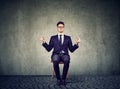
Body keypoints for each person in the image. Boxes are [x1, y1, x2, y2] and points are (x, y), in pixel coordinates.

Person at [40, 21, 80, 86]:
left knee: (67, 60)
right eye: (59, 27)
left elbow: (71, 49)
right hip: (56, 54)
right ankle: (58, 79)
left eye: (62, 27)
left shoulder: (68, 38)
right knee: (55, 60)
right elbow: (49, 49)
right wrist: (44, 42)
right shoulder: (53, 38)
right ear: (57, 28)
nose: (61, 28)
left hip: (65, 55)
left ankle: (63, 79)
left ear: (64, 28)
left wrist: (77, 44)